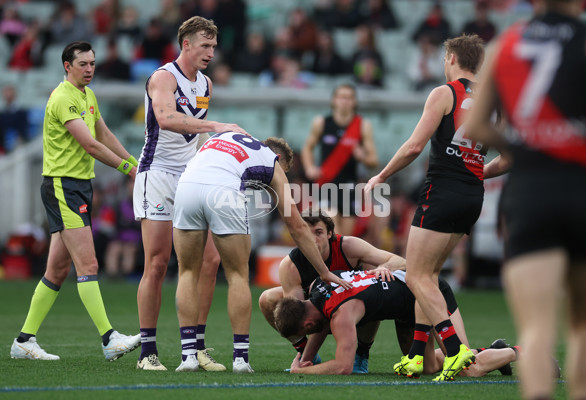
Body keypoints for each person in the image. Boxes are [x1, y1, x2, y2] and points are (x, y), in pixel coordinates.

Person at [465, 0, 586, 398]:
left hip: (530, 194)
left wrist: (528, 147)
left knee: (537, 327)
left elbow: (475, 126)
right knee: (584, 325)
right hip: (584, 190)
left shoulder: (508, 43)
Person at [365, 34, 510, 381]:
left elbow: (415, 146)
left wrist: (381, 176)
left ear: (451, 58)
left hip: (442, 191)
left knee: (415, 275)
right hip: (473, 195)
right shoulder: (495, 101)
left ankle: (455, 348)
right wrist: (480, 172)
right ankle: (416, 356)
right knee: (427, 276)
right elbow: (510, 156)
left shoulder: (444, 93)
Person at [172, 132, 352, 373]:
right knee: (237, 274)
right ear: (278, 158)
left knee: (187, 273)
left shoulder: (228, 139)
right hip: (223, 189)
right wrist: (324, 271)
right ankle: (240, 359)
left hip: (186, 186)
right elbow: (297, 225)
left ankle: (188, 358)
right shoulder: (272, 161)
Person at [9, 41, 141, 362]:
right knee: (89, 264)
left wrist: (136, 164)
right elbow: (91, 145)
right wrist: (128, 170)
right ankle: (109, 338)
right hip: (63, 187)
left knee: (57, 268)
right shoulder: (63, 97)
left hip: (79, 186)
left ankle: (24, 341)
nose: (90, 69)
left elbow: (104, 134)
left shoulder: (87, 94)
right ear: (67, 66)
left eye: (93, 63)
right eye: (83, 64)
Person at [133, 16, 248, 372]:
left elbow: (195, 136)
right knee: (157, 262)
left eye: (213, 46)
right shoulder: (163, 77)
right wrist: (217, 126)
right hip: (158, 175)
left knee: (211, 261)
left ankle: (195, 346)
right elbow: (166, 119)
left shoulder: (206, 82)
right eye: (205, 45)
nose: (210, 52)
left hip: (190, 177)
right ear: (186, 44)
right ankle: (147, 351)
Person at [273, 269, 518, 376]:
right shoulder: (318, 287)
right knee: (428, 368)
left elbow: (343, 366)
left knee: (467, 369)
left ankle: (519, 352)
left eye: (304, 334)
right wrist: (303, 357)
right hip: (408, 308)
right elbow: (319, 324)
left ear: (307, 325)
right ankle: (493, 351)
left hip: (430, 294)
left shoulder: (341, 314)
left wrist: (304, 369)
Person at [259, 209, 406, 373]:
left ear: (330, 233)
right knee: (268, 298)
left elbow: (399, 260)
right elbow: (304, 315)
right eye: (307, 233)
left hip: (352, 303)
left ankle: (362, 354)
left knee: (368, 294)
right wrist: (306, 356)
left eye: (319, 232)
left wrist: (384, 267)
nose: (313, 239)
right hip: (318, 308)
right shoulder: (290, 266)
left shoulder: (348, 246)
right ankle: (305, 353)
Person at [301, 84, 378, 236]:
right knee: (333, 231)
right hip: (326, 185)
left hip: (349, 187)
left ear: (354, 102)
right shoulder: (321, 122)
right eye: (342, 97)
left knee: (345, 239)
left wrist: (362, 156)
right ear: (334, 100)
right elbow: (307, 148)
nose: (345, 101)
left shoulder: (362, 125)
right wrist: (310, 167)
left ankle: (339, 260)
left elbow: (373, 160)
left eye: (349, 97)